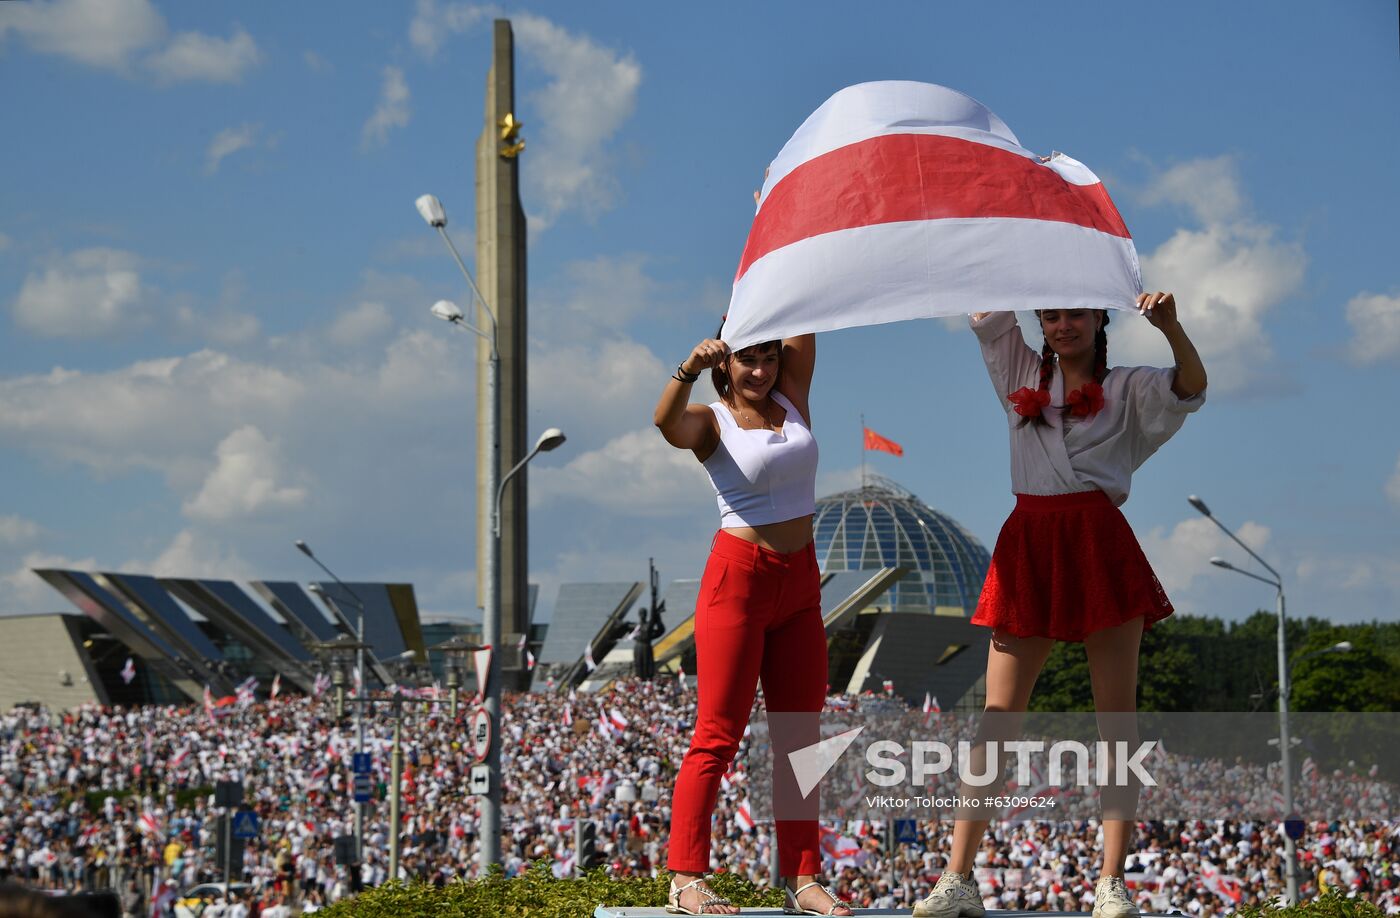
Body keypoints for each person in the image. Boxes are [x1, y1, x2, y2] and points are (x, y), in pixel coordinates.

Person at [914, 293, 1206, 918]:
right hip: (1030, 543)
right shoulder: (1021, 373)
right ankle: (958, 879)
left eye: (1076, 313)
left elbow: (1190, 386)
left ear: (1102, 319)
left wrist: (1170, 326)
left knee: (1116, 722)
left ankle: (1111, 884)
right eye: (1050, 314)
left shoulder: (1127, 385)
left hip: (1098, 541)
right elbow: (987, 308)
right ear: (1038, 322)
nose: (1063, 325)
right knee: (997, 717)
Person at [653, 327, 849, 916]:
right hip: (738, 580)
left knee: (801, 739)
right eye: (747, 361)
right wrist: (688, 364)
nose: (760, 371)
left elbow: (800, 314)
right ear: (725, 364)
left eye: (768, 359)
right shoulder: (711, 421)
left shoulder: (792, 397)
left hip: (800, 582)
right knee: (717, 735)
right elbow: (664, 423)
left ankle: (803, 876)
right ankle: (686, 877)